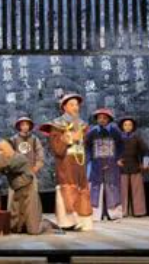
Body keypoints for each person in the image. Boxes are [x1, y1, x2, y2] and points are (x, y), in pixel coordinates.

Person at [39, 93, 93, 231]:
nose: (75, 107)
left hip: (79, 161)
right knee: (67, 188)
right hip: (66, 161)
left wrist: (80, 138)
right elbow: (56, 147)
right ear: (64, 107)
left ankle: (83, 220)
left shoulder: (82, 124)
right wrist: (69, 138)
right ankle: (68, 221)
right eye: (72, 105)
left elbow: (85, 144)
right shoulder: (57, 124)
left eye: (77, 105)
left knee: (82, 188)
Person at [0, 139, 52, 234]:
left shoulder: (19, 158)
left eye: (2, 150)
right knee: (14, 227)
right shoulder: (5, 161)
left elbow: (9, 163)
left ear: (8, 149)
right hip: (17, 192)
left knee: (34, 230)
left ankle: (46, 223)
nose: (0, 153)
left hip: (28, 191)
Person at [85, 108, 125, 221]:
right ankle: (96, 214)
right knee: (96, 187)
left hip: (111, 162)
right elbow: (87, 146)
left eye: (104, 118)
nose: (102, 120)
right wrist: (89, 159)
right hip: (96, 162)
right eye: (99, 118)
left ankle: (113, 213)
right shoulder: (93, 131)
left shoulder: (114, 131)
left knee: (112, 186)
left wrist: (119, 158)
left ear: (109, 119)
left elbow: (121, 145)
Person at [117, 116, 149, 217]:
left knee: (137, 190)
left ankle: (139, 211)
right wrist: (116, 160)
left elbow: (146, 150)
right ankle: (122, 211)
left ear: (133, 127)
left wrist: (146, 163)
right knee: (122, 190)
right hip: (122, 167)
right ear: (122, 126)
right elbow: (114, 152)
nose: (128, 127)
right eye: (125, 125)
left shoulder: (137, 138)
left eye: (130, 125)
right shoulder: (118, 138)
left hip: (135, 165)